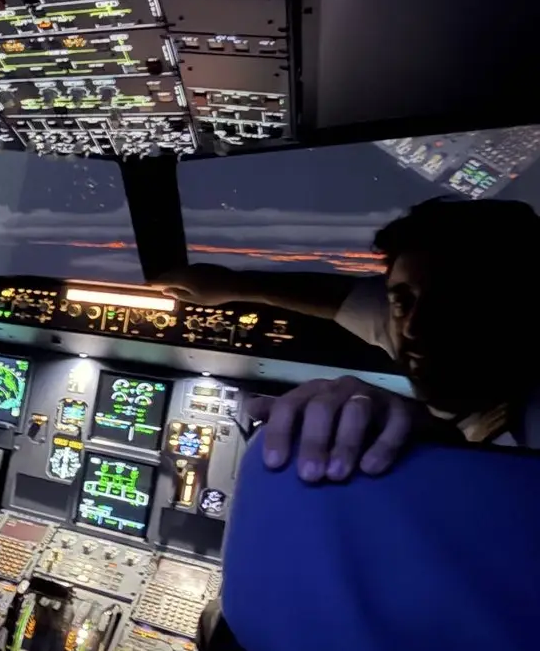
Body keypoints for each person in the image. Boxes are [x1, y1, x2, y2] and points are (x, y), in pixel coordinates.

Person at [156, 197, 540, 481]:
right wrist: (233, 285)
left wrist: (438, 439)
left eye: (450, 304)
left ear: (516, 305)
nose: (412, 328)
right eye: (402, 302)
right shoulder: (418, 334)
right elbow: (342, 297)